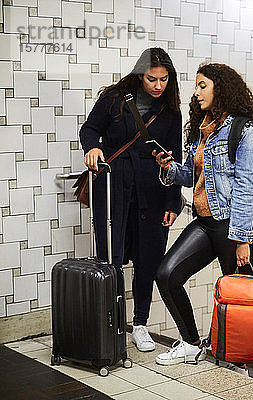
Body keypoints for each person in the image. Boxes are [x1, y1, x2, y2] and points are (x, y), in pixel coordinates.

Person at [151, 63, 253, 375]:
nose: (196, 92)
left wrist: (243, 239)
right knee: (167, 274)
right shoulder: (203, 126)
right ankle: (190, 343)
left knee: (237, 297)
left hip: (234, 224)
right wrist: (169, 168)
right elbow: (192, 175)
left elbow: (247, 187)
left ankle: (237, 363)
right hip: (205, 220)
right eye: (196, 86)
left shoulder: (246, 131)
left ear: (221, 88)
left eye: (202, 86)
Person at [79, 47, 182, 353]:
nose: (158, 85)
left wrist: (172, 203)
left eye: (164, 79)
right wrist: (92, 148)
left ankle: (139, 324)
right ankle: (111, 321)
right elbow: (90, 129)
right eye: (152, 78)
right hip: (114, 187)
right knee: (111, 256)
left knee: (148, 260)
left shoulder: (171, 112)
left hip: (152, 191)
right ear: (140, 74)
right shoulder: (113, 98)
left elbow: (174, 160)